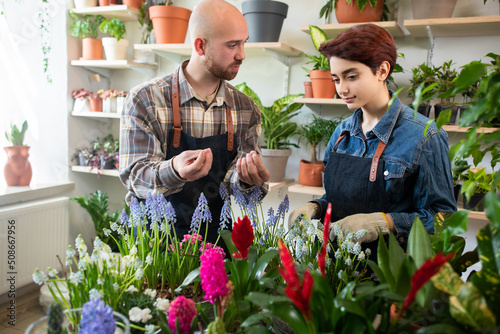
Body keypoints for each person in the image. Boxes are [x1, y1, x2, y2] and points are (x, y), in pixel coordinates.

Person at [288, 24, 456, 248]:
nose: (342, 89)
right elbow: (339, 201)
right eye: (336, 79)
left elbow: (444, 218)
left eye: (352, 76)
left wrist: (385, 222)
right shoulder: (341, 134)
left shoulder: (424, 135)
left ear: (382, 71)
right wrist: (316, 207)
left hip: (391, 274)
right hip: (337, 269)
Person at [119, 0, 270, 246]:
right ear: (200, 45)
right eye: (232, 45)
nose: (242, 54)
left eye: (243, 43)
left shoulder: (246, 109)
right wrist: (175, 170)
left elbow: (239, 188)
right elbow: (135, 177)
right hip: (156, 243)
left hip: (216, 240)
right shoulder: (146, 99)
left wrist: (247, 180)